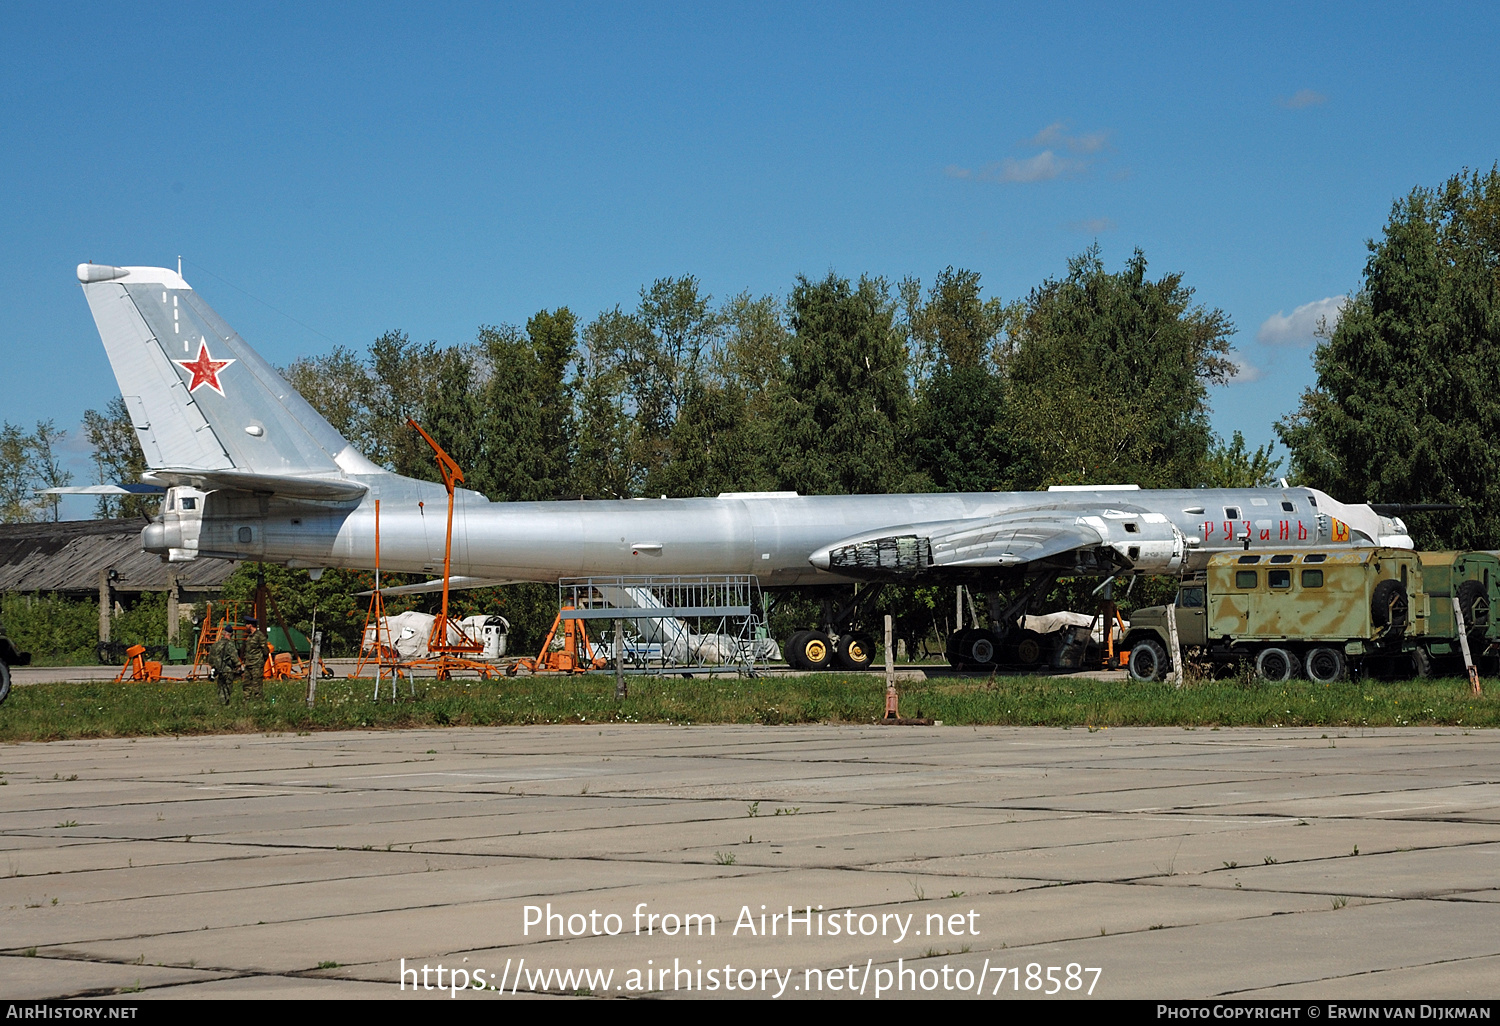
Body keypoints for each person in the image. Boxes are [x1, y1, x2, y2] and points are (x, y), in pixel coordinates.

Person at [209, 627, 242, 705]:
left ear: (224, 633)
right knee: (227, 688)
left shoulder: (216, 644)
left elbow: (211, 658)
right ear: (231, 634)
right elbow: (234, 657)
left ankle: (221, 703)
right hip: (228, 670)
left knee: (221, 687)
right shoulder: (230, 644)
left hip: (218, 669)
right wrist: (239, 666)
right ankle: (226, 703)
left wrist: (213, 667)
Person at [242, 618, 269, 699]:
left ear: (250, 625)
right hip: (248, 664)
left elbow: (265, 651)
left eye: (246, 624)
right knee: (246, 685)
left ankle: (258, 703)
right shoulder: (249, 636)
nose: (245, 626)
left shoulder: (259, 636)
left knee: (257, 685)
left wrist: (261, 661)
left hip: (256, 664)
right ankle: (246, 702)